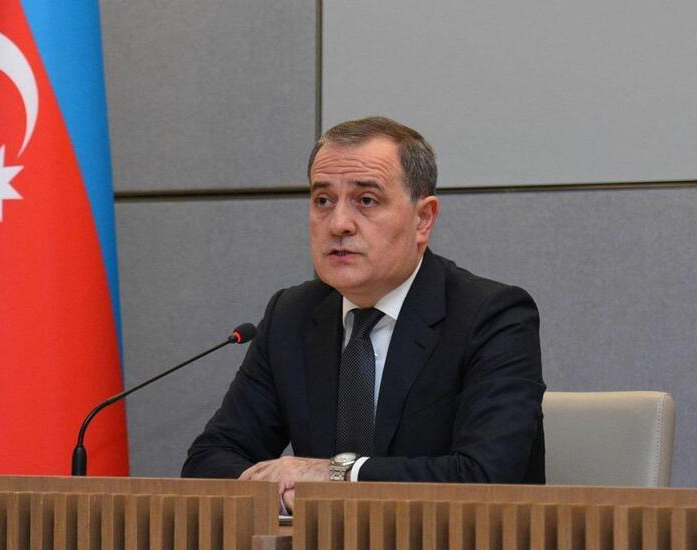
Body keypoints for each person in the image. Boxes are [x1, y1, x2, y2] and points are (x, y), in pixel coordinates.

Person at [182, 116, 545, 511]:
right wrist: (282, 492)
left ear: (423, 219)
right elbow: (208, 460)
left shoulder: (491, 317)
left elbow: (485, 478)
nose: (338, 224)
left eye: (366, 201)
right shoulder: (292, 316)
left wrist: (336, 475)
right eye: (323, 201)